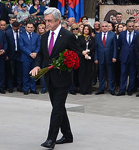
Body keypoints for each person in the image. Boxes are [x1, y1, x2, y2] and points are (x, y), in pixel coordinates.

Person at [30, 8, 86, 149]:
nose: (47, 23)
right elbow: (41, 55)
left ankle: (51, 139)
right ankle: (67, 135)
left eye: (49, 21)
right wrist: (37, 66)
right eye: (46, 20)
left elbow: (76, 54)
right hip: (49, 78)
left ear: (57, 20)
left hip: (63, 78)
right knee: (58, 107)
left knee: (57, 109)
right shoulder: (44, 36)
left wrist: (66, 62)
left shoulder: (67, 36)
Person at [117, 20, 139, 96]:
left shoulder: (138, 34)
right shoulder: (122, 34)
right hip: (124, 57)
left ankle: (130, 89)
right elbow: (119, 44)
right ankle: (122, 90)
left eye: (132, 26)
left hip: (133, 57)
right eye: (129, 26)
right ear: (126, 26)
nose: (131, 28)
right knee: (123, 73)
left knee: (132, 74)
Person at [94, 21, 117, 95]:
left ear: (108, 27)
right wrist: (96, 58)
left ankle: (112, 89)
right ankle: (101, 89)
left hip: (110, 57)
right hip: (100, 58)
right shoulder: (97, 36)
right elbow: (96, 48)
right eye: (103, 26)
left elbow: (115, 47)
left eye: (106, 26)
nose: (104, 28)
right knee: (101, 74)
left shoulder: (113, 35)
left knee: (110, 74)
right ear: (101, 27)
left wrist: (114, 56)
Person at [19, 22, 40, 95]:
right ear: (25, 27)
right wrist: (29, 53)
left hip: (34, 57)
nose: (30, 29)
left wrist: (36, 52)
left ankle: (33, 88)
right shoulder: (22, 36)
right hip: (26, 57)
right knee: (26, 74)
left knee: (34, 74)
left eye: (31, 27)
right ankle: (26, 88)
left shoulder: (36, 35)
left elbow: (38, 45)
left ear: (33, 28)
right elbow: (21, 46)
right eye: (28, 27)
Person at [5, 21, 25, 93]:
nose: (16, 30)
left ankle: (19, 86)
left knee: (20, 71)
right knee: (11, 71)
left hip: (20, 54)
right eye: (14, 29)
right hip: (11, 54)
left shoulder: (23, 31)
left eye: (17, 28)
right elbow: (6, 44)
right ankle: (10, 87)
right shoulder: (8, 32)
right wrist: (6, 54)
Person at [78, 24, 94, 95]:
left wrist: (88, 51)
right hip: (82, 57)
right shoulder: (80, 38)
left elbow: (93, 47)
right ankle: (83, 89)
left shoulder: (92, 38)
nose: (86, 30)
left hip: (90, 58)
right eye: (85, 29)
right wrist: (84, 53)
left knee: (89, 73)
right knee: (82, 73)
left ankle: (88, 89)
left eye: (87, 29)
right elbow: (78, 47)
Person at [37, 23, 47, 94]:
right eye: (40, 28)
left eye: (42, 28)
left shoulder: (46, 36)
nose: (41, 30)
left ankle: (45, 87)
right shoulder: (36, 36)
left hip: (45, 56)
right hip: (37, 56)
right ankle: (43, 87)